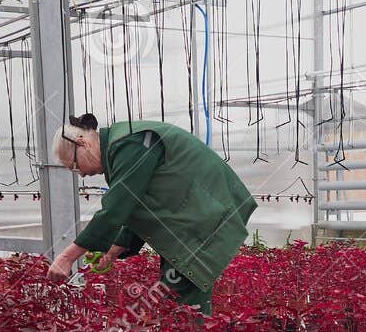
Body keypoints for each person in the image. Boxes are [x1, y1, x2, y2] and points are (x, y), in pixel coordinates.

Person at [46, 113, 257, 313]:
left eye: (74, 166)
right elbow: (136, 206)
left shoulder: (129, 144)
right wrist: (112, 252)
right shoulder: (122, 147)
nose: (81, 174)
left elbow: (116, 207)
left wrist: (67, 257)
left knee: (182, 307)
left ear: (83, 144)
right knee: (177, 301)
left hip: (204, 219)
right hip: (195, 221)